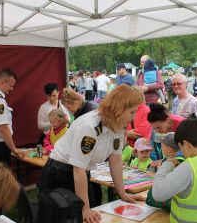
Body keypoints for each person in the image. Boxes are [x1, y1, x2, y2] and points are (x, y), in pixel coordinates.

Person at [39, 85, 144, 223]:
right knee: (65, 217)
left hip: (80, 172)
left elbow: (116, 159)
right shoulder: (89, 126)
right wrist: (84, 208)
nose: (134, 117)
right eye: (131, 112)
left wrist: (122, 193)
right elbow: (78, 168)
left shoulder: (118, 125)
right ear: (119, 109)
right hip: (60, 172)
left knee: (92, 216)